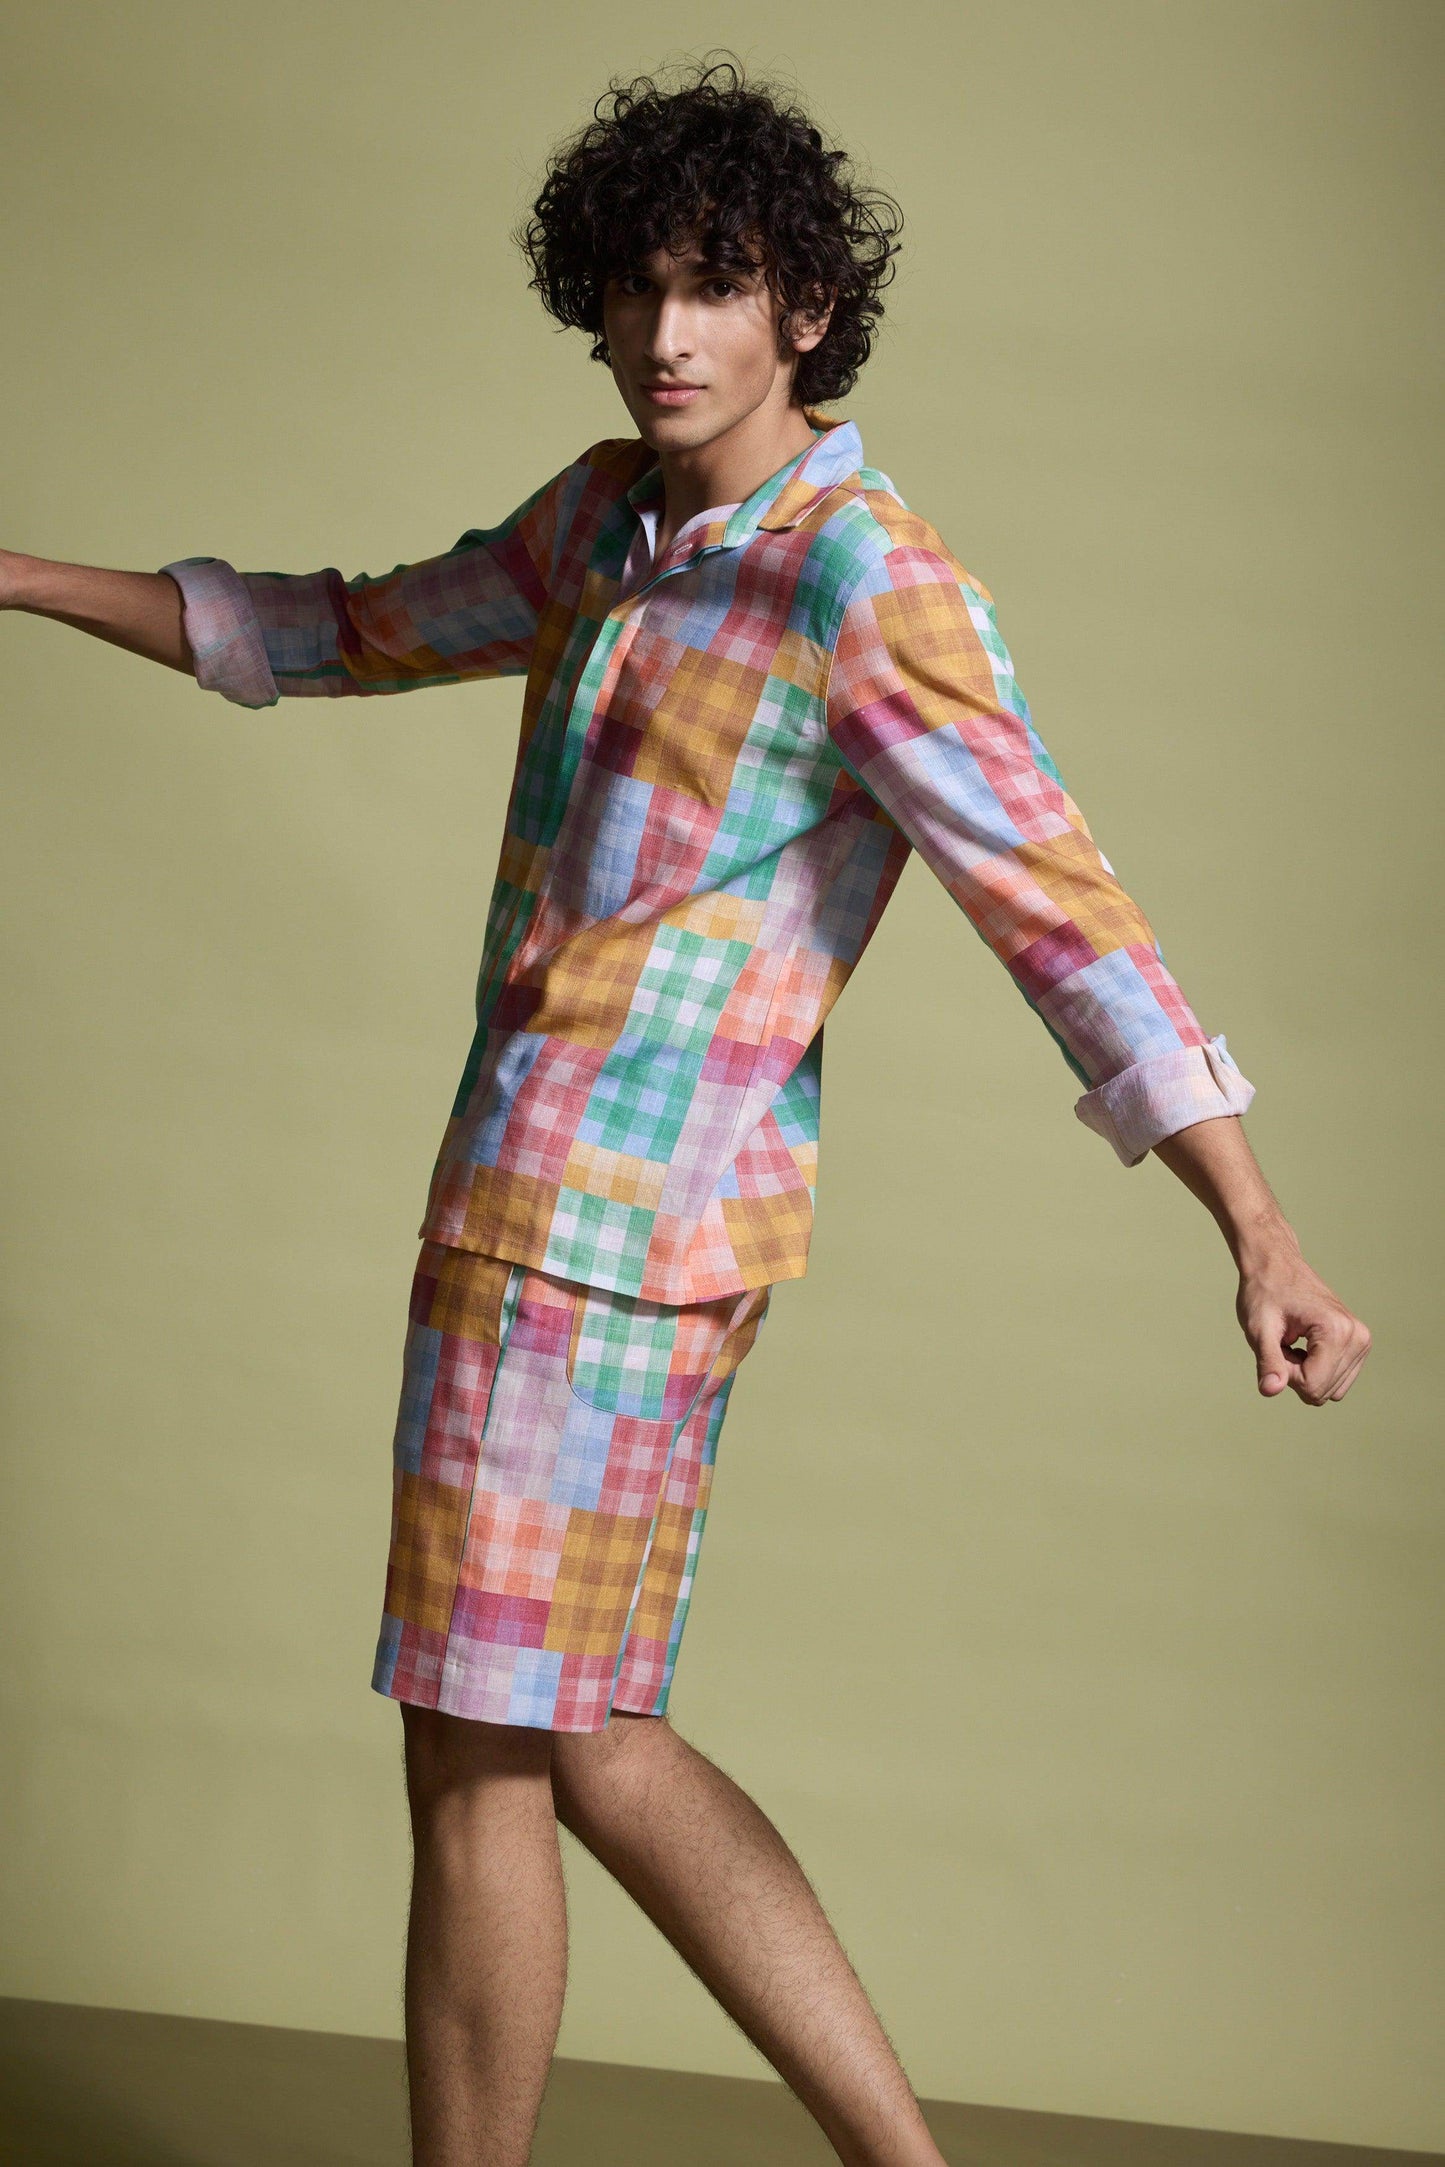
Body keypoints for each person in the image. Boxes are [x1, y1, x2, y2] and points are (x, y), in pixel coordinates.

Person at [2, 52, 1370, 2167]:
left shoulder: (861, 580)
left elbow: (1060, 910)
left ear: (805, 306)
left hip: (606, 1238)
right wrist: (21, 577)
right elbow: (340, 630)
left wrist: (1256, 1228)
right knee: (593, 1740)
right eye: (636, 287)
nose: (667, 332)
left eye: (716, 285)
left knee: (481, 1754)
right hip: (544, 1214)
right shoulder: (600, 519)